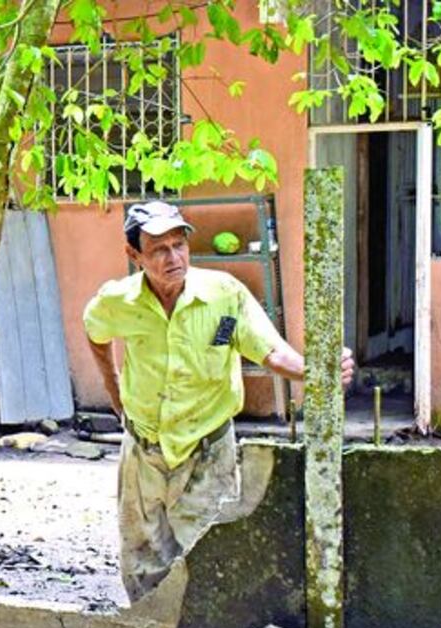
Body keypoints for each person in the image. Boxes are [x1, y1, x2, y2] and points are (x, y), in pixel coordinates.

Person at [83, 200, 354, 601]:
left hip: (208, 448)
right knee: (142, 559)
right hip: (144, 448)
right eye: (158, 249)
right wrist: (114, 387)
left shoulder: (224, 295)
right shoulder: (117, 301)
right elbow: (95, 331)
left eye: (179, 245)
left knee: (206, 556)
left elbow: (270, 351)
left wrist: (316, 369)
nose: (173, 258)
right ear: (134, 255)